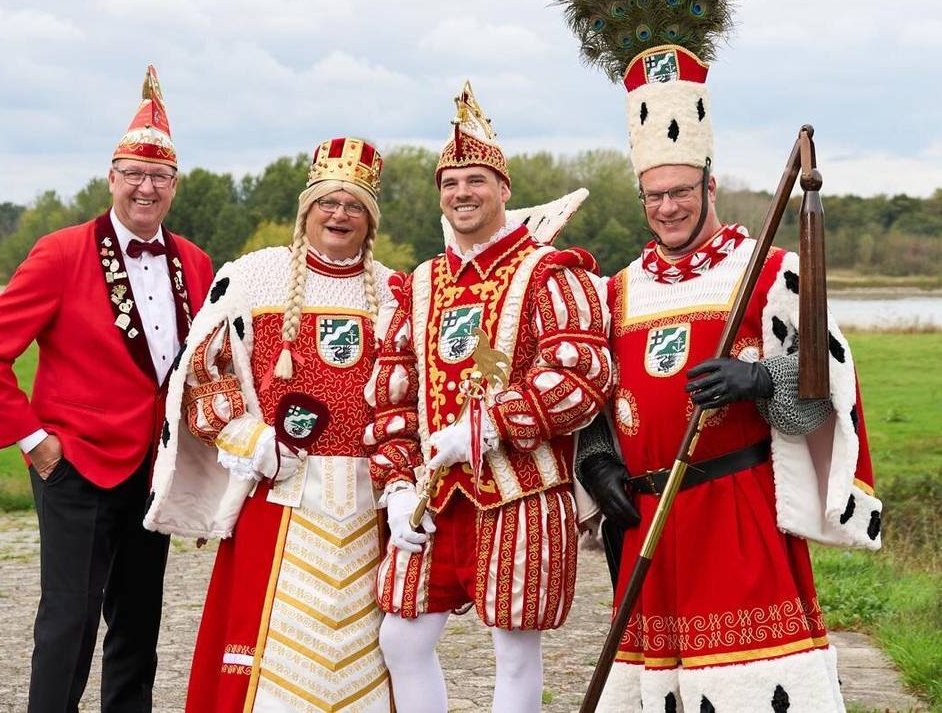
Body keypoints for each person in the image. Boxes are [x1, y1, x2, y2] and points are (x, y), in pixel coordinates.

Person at [574, 44, 882, 711]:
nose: (667, 207)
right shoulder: (615, 291)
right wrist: (597, 461)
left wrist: (761, 381)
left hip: (736, 517)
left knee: (745, 689)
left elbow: (829, 388)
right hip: (647, 524)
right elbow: (593, 397)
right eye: (654, 195)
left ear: (709, 186)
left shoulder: (769, 273)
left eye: (681, 191)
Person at [366, 82, 613, 713]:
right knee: (401, 638)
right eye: (449, 183)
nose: (461, 194)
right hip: (434, 494)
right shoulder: (421, 283)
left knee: (513, 649)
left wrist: (487, 426)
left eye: (476, 180)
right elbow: (390, 395)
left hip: (520, 491)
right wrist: (396, 487)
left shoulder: (550, 271)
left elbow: (580, 375)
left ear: (504, 189)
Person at [145, 137, 398, 712]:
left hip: (368, 508)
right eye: (327, 203)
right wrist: (253, 441)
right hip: (278, 497)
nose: (340, 215)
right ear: (305, 211)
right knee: (271, 651)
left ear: (370, 220)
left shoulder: (393, 290)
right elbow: (199, 378)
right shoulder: (254, 276)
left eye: (354, 205)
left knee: (369, 652)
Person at [0, 66, 213, 713]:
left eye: (160, 177)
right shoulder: (61, 252)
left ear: (175, 185)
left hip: (154, 470)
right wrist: (33, 440)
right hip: (77, 462)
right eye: (134, 175)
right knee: (70, 619)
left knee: (140, 624)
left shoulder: (193, 263)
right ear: (111, 178)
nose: (147, 187)